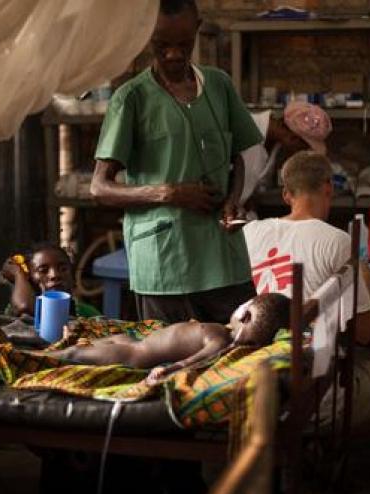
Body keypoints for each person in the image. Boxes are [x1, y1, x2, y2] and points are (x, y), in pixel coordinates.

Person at [91, 0, 263, 326]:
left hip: (223, 258)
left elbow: (238, 155)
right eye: (162, 45)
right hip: (166, 265)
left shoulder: (219, 85)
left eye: (183, 45)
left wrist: (233, 200)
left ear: (197, 30)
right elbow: (99, 188)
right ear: (146, 38)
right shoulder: (131, 99)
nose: (173, 54)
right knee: (173, 363)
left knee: (245, 353)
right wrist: (168, 193)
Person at [243, 151, 370, 428]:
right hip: (314, 384)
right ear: (328, 187)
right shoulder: (336, 240)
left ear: (286, 195)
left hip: (258, 367)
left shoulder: (251, 232)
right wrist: (362, 268)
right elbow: (365, 332)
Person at [0, 293, 289, 385]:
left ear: (246, 316)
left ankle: (12, 354)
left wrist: (171, 369)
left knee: (69, 358)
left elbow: (202, 358)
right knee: (73, 349)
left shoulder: (222, 338)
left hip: (131, 355)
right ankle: (17, 348)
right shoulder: (220, 331)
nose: (238, 306)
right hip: (129, 344)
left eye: (245, 305)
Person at [240, 101, 333, 206]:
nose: (300, 151)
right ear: (292, 137)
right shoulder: (243, 126)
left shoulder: (275, 144)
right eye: (303, 147)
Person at [0, 243, 100, 318]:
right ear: (29, 277)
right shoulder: (17, 305)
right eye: (43, 271)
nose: (55, 275)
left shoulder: (86, 312)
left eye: (63, 269)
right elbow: (24, 306)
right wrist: (19, 273)